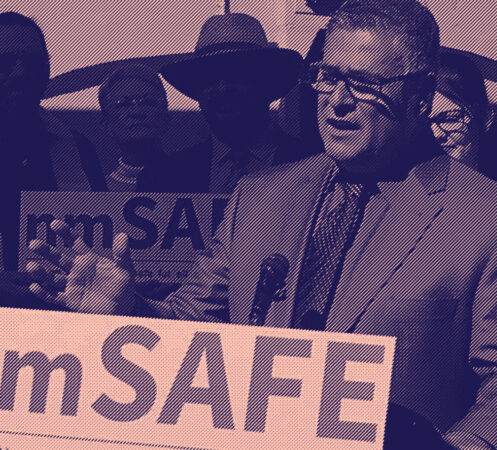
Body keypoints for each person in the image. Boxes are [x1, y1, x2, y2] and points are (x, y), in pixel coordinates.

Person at [26, 1, 497, 448]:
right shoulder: (258, 197)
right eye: (327, 78)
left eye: (365, 84)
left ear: (421, 96)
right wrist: (131, 311)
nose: (337, 102)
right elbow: (195, 325)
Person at [0, 11, 104, 284]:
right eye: (4, 62)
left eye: (33, 62)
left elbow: (100, 243)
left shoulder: (79, 150)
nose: (20, 72)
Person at [160, 12, 316, 194]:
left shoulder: (314, 169)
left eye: (238, 75)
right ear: (198, 93)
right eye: (208, 78)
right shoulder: (167, 176)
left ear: (268, 84)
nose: (223, 89)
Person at [430, 49, 497, 191]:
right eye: (422, 123)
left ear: (484, 115)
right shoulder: (401, 194)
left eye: (450, 119)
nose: (435, 134)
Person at [99, 64, 183, 192]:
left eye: (148, 102)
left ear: (166, 119)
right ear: (107, 125)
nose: (136, 112)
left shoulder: (194, 183)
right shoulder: (95, 193)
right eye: (122, 104)